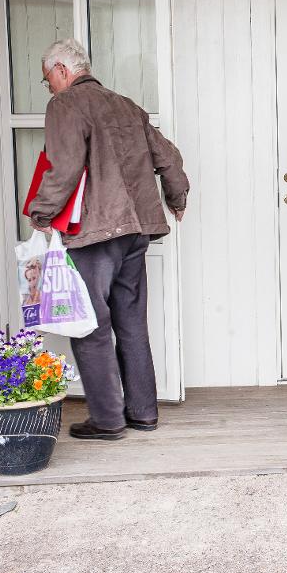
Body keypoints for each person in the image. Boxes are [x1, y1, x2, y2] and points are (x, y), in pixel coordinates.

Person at [28, 38, 190, 441]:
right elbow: (168, 157)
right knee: (132, 322)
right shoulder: (125, 105)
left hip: (95, 234)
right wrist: (177, 198)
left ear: (63, 70)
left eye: (47, 78)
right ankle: (143, 412)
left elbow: (63, 167)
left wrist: (42, 212)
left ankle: (107, 419)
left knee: (90, 324)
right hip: (135, 233)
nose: (48, 87)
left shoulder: (65, 105)